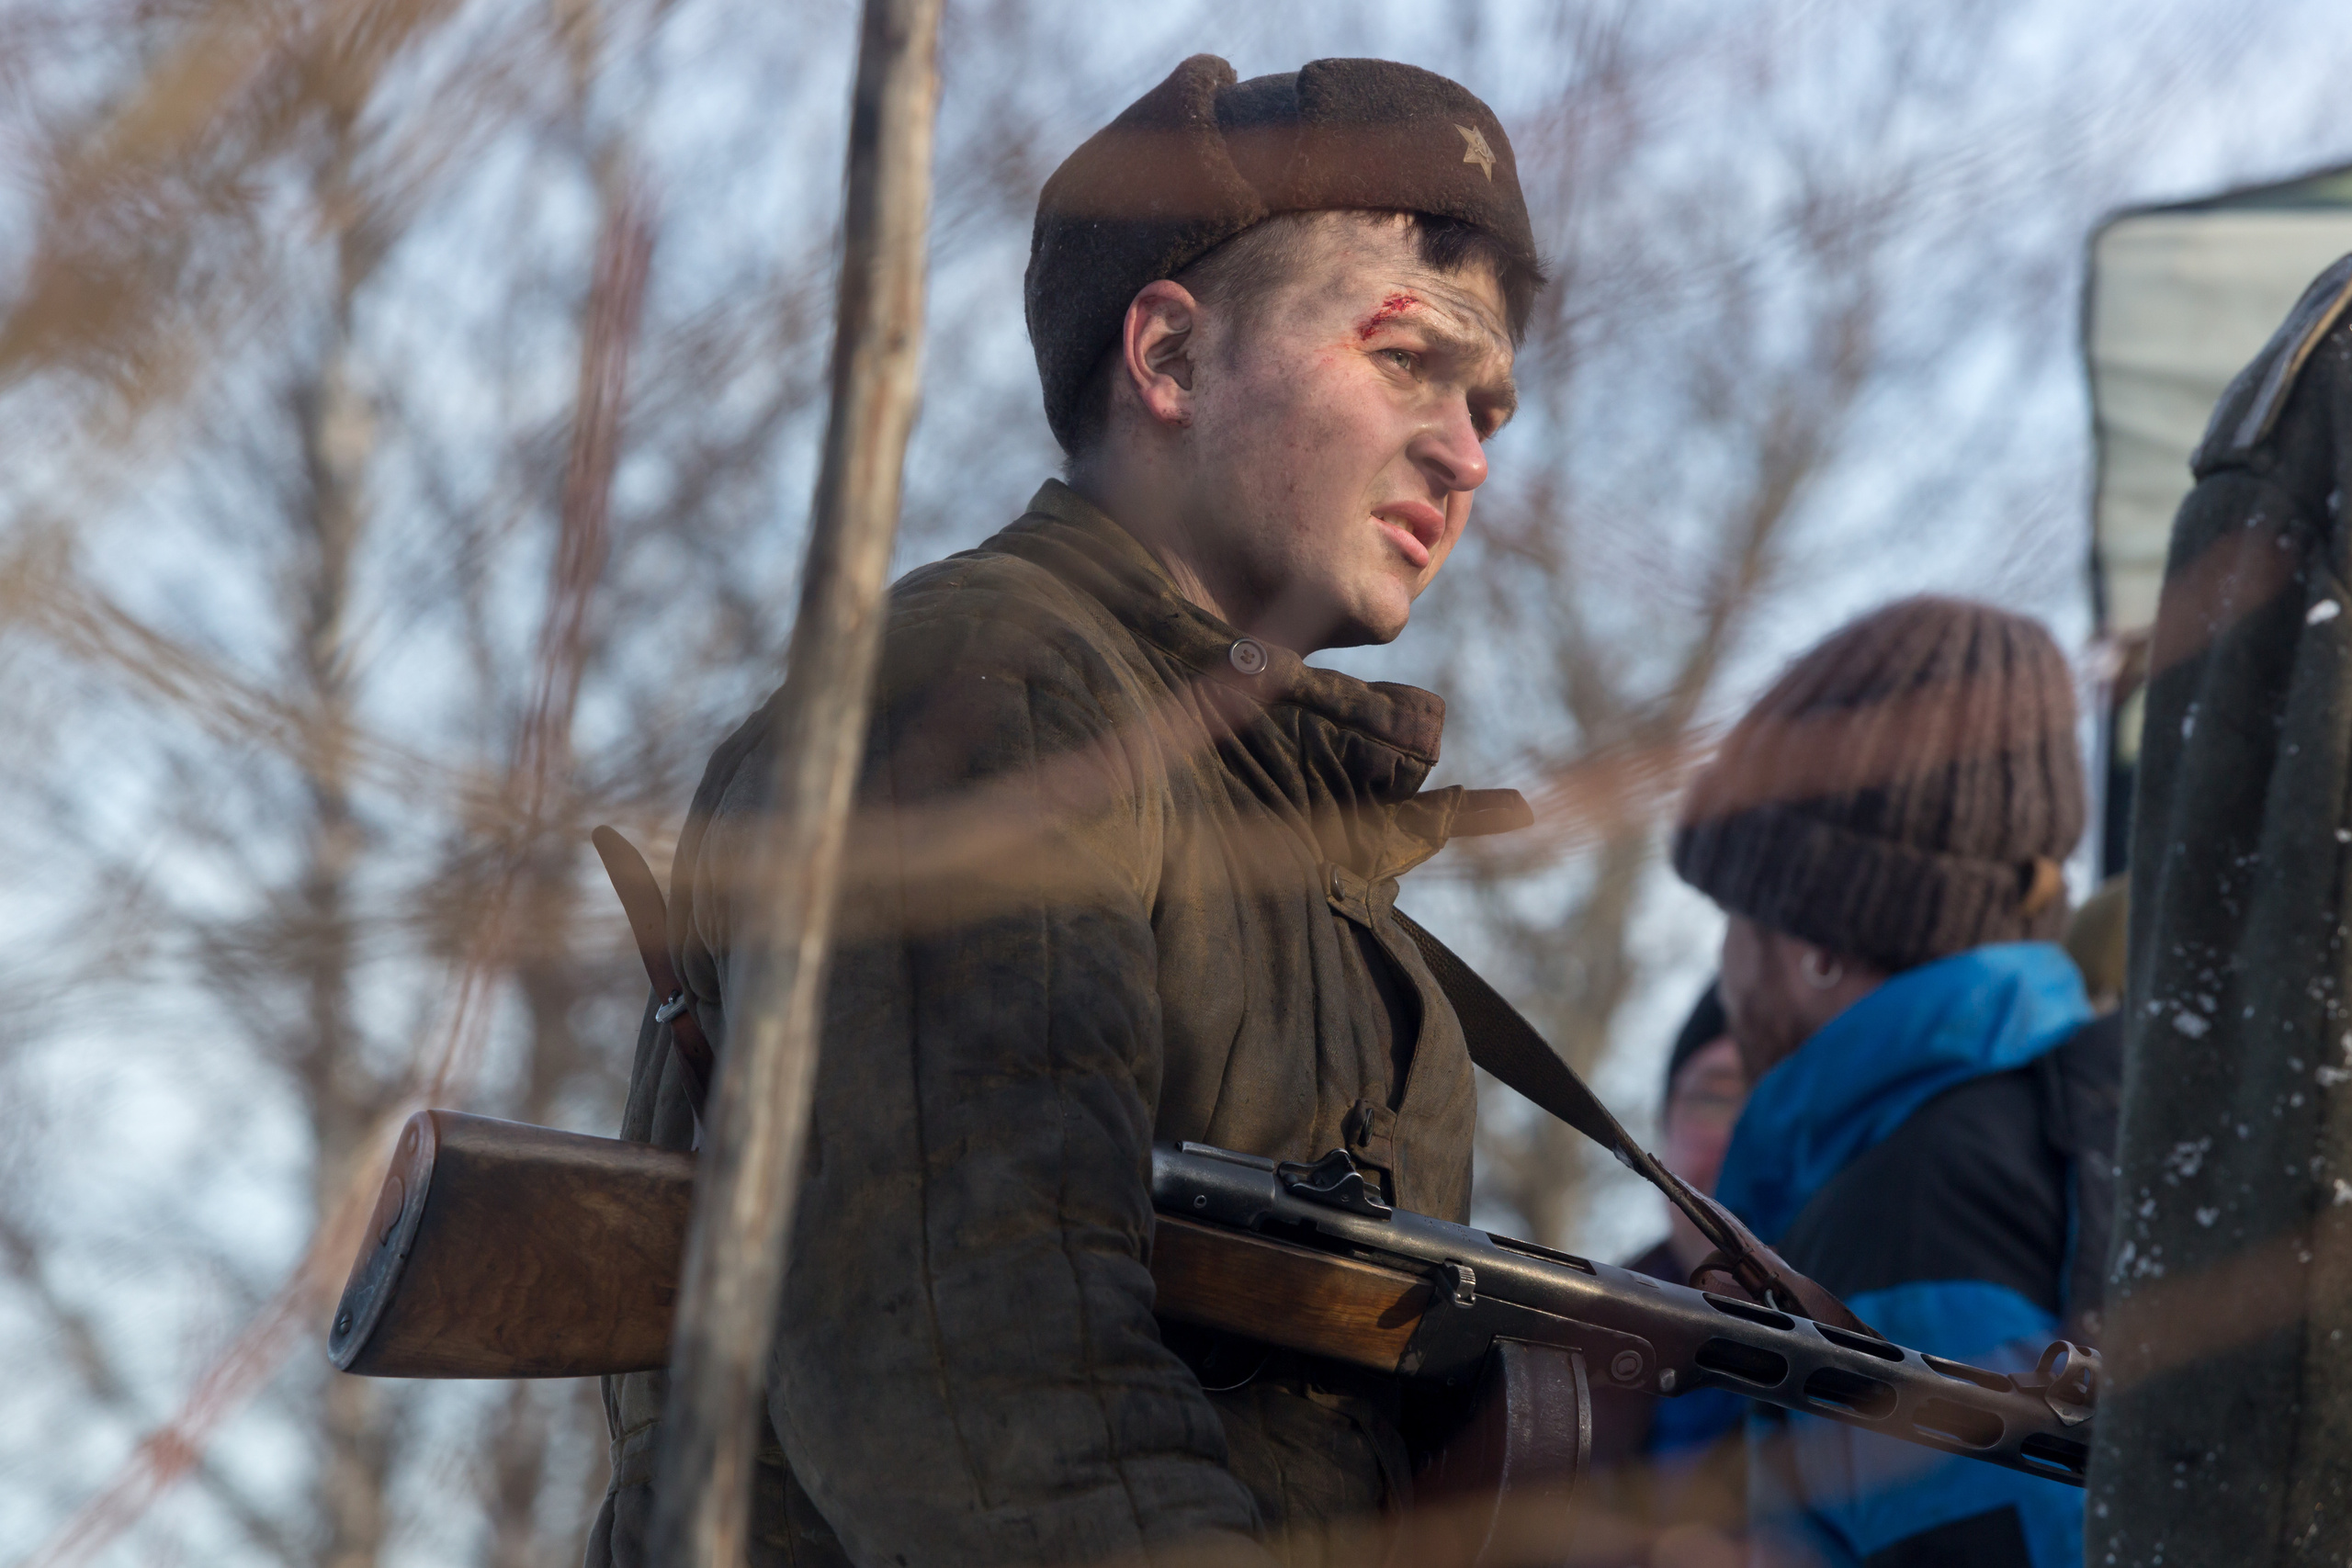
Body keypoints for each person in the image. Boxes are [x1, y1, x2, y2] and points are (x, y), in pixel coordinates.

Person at [587, 55, 1549, 1568]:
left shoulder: (1301, 852)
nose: (1469, 452)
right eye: (1408, 363)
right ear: (1169, 357)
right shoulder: (992, 705)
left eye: (1489, 403)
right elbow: (987, 1401)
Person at [1669, 596, 2117, 1568]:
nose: (1728, 968)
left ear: (1817, 944)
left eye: (1739, 915)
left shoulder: (1911, 1210)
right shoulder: (2078, 1114)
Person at [1587, 985, 1754, 1562]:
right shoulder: (1564, 1347)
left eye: (1773, 1105)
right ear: (1659, 1136)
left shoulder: (1884, 1346)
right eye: (1717, 1099)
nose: (1741, 1137)